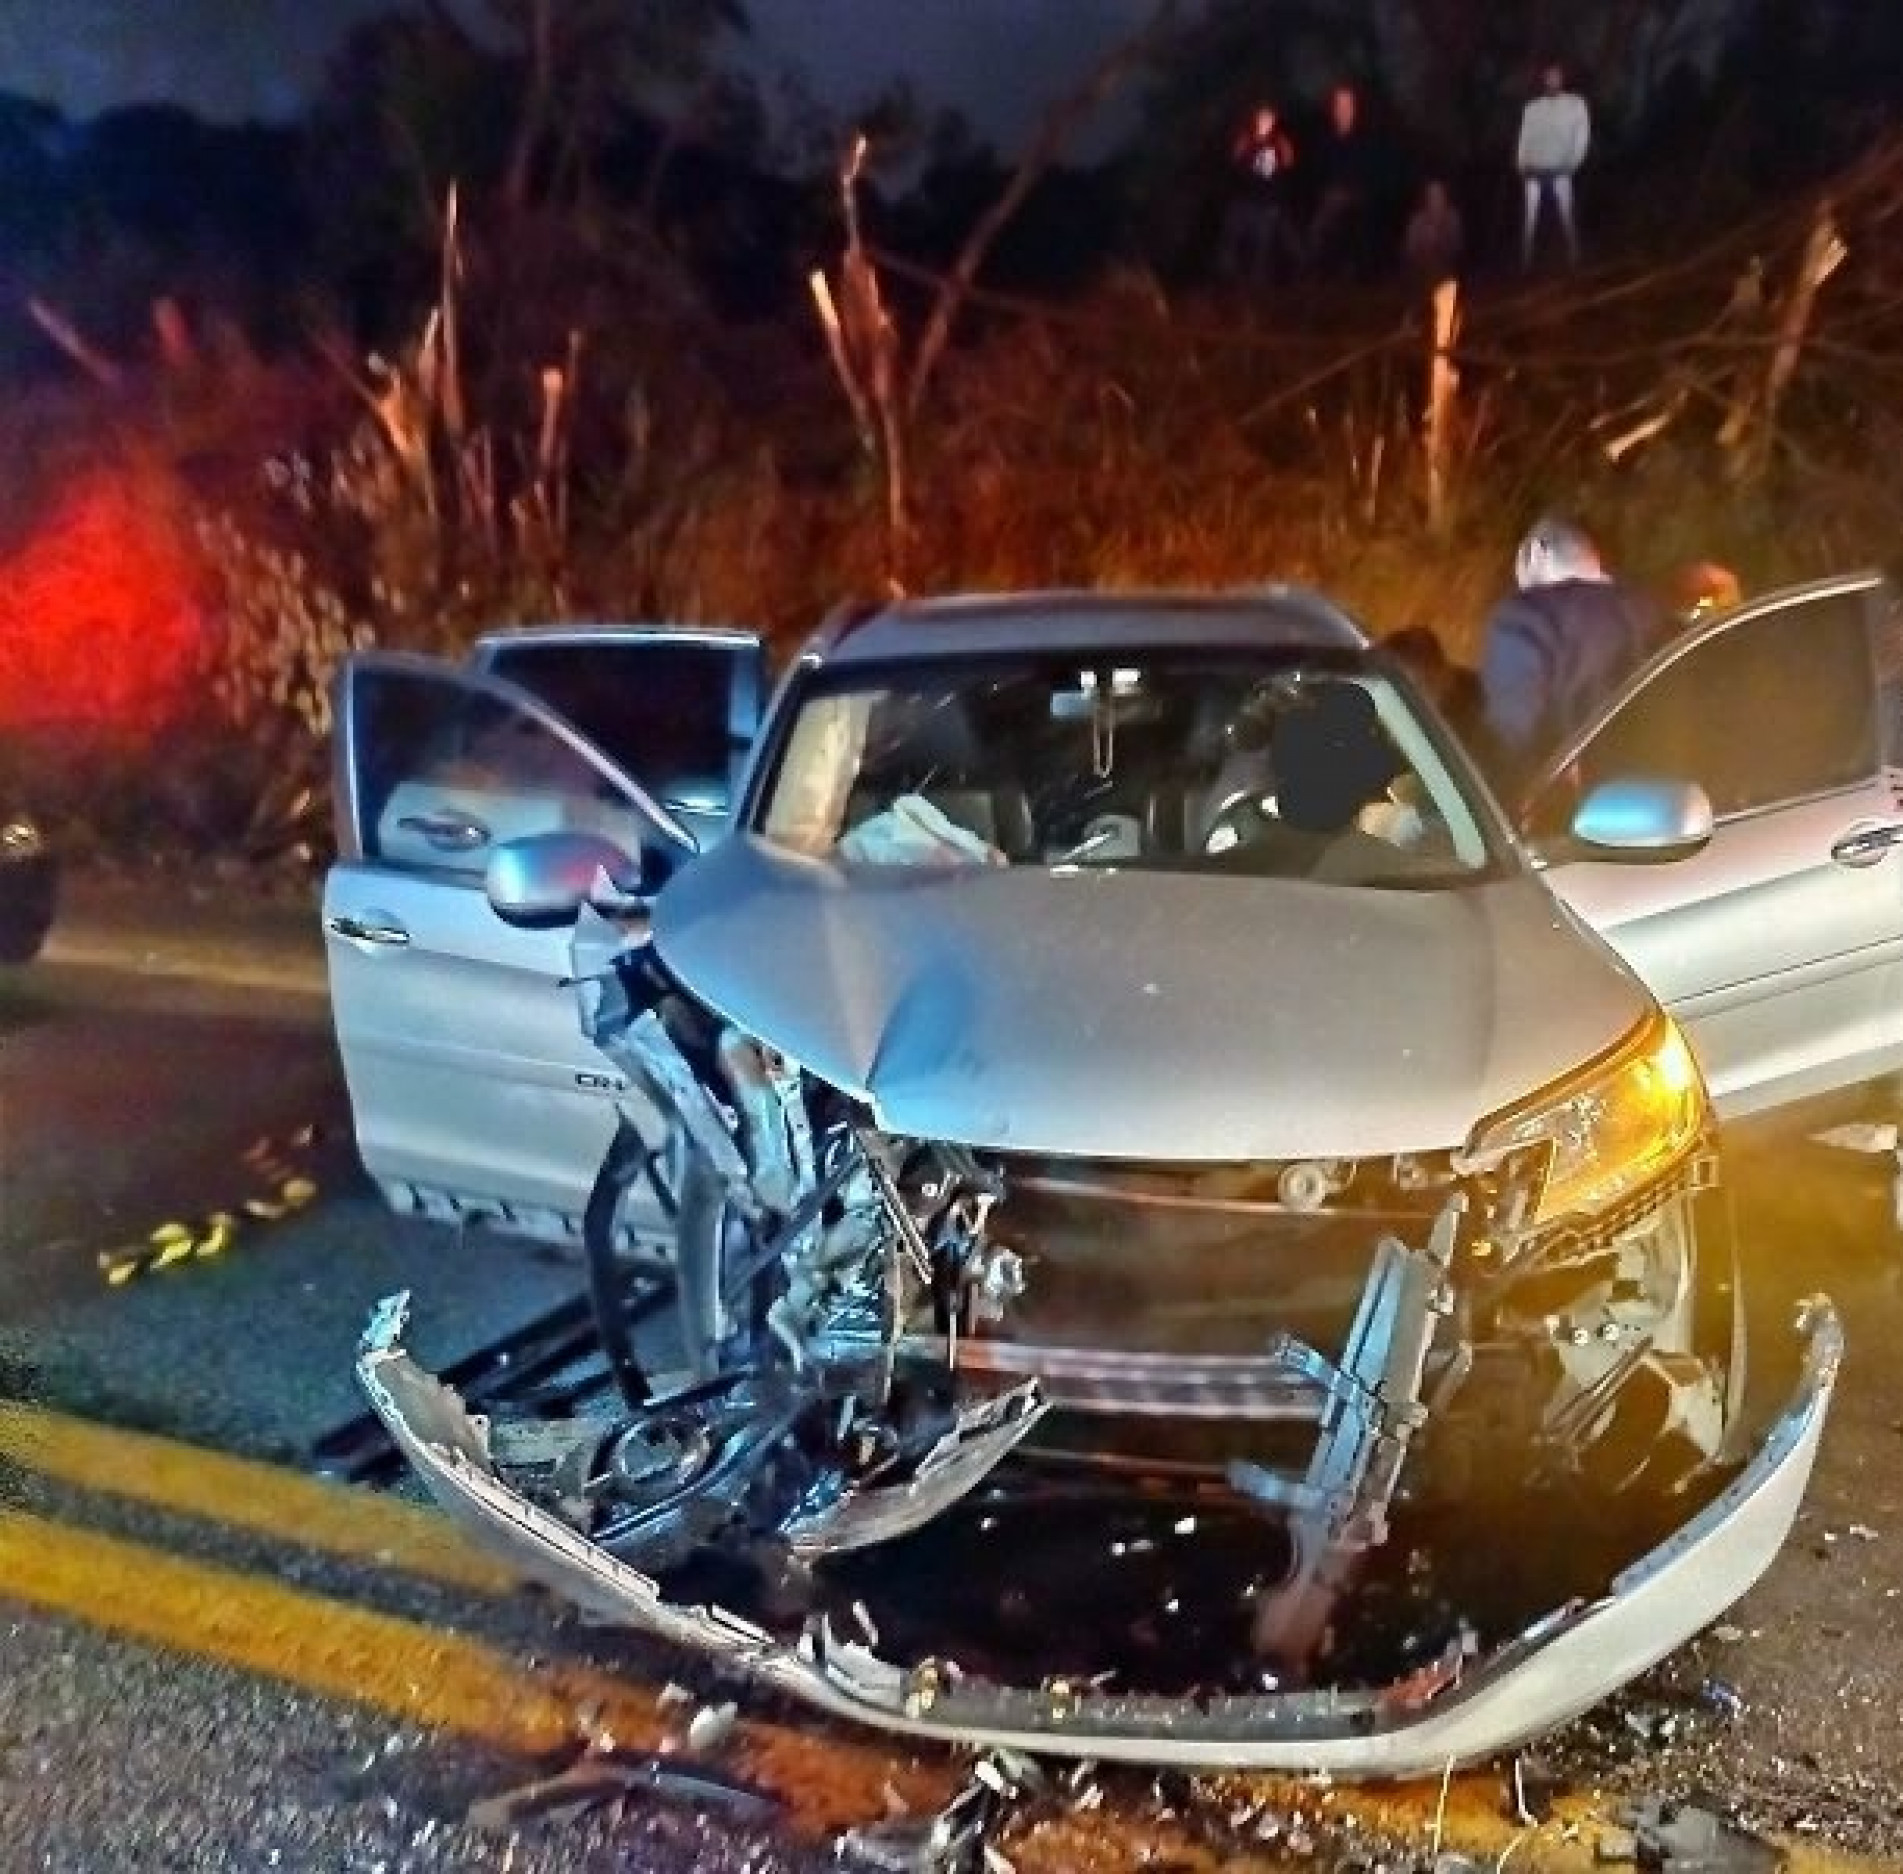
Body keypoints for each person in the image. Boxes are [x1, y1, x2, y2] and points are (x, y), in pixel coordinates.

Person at [1478, 517, 1658, 785]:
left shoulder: (1524, 617)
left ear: (1538, 554)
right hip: (1669, 801)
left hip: (1569, 812)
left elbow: (1512, 735)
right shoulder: (1650, 611)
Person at [1219, 103, 1301, 289]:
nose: (1265, 122)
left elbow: (1289, 168)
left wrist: (1279, 199)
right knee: (1231, 239)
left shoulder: (1280, 142)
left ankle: (1258, 285)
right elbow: (1234, 165)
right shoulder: (1246, 140)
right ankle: (1229, 279)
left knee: (1262, 247)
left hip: (1267, 202)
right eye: (1262, 118)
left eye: (1269, 118)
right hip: (1245, 199)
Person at [1516, 62, 1590, 267]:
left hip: (1560, 168)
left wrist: (1574, 162)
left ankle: (1574, 256)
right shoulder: (1532, 108)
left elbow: (1582, 135)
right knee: (1530, 217)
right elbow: (1525, 136)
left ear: (1562, 79)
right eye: (1549, 77)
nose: (1552, 80)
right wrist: (1521, 162)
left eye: (1556, 76)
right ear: (1544, 80)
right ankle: (1527, 260)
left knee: (1566, 213)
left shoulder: (1575, 104)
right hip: (1534, 167)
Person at [1306, 84, 1377, 280]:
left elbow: (1369, 175)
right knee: (1322, 222)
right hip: (1330, 198)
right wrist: (1328, 194)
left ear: (1354, 109)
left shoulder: (1365, 139)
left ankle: (1356, 270)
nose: (1344, 110)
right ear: (1333, 109)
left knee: (1349, 214)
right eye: (1340, 105)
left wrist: (1349, 194)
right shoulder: (1325, 141)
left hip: (1358, 198)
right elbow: (1318, 174)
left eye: (1348, 105)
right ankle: (1318, 271)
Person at [1401, 178, 1465, 290]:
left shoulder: (1452, 219)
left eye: (1439, 195)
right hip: (1421, 275)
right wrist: (1425, 245)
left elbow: (1457, 248)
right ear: (1426, 199)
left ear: (1445, 197)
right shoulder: (1417, 221)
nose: (1436, 199)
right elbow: (1409, 251)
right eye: (1432, 195)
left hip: (1445, 275)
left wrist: (1440, 241)